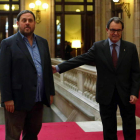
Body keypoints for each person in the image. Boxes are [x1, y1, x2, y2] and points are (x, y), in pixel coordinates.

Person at [52, 17, 140, 140]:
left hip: (126, 94)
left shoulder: (130, 48)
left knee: (130, 127)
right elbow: (80, 59)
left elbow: (136, 72)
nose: (115, 33)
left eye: (118, 30)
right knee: (109, 128)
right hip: (106, 94)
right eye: (113, 30)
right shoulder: (98, 47)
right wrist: (58, 68)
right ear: (107, 30)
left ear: (122, 31)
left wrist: (134, 93)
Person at [0, 10, 55, 140]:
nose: (27, 23)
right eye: (24, 20)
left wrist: (50, 92)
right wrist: (7, 98)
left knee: (32, 135)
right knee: (13, 136)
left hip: (37, 100)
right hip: (16, 101)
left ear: (34, 23)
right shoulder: (8, 43)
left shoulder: (43, 42)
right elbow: (4, 73)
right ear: (18, 23)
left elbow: (47, 69)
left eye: (30, 20)